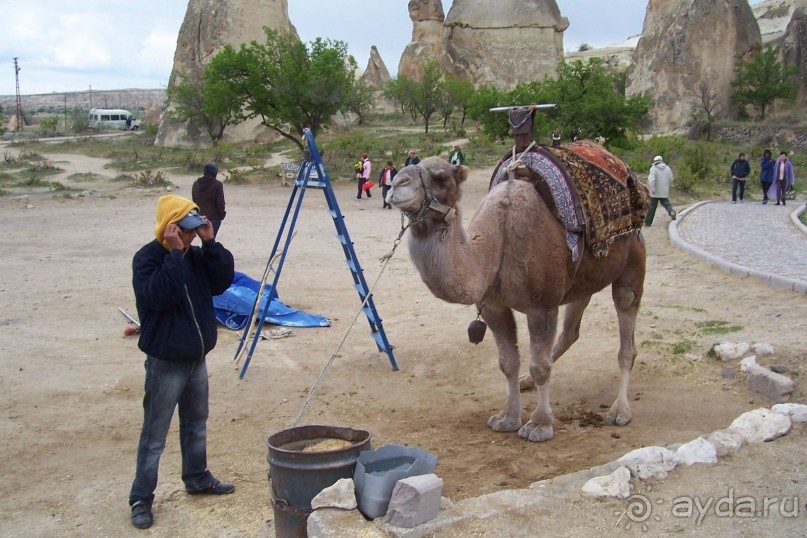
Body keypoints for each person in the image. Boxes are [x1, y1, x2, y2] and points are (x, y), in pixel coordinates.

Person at [128, 194, 235, 530]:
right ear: (169, 228)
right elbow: (160, 295)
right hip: (165, 362)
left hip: (196, 358)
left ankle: (197, 477)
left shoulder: (196, 256)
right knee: (154, 435)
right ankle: (141, 499)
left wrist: (211, 242)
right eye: (186, 231)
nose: (191, 236)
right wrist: (174, 254)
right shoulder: (147, 259)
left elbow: (222, 282)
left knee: (196, 423)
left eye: (193, 231)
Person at [192, 163, 226, 237]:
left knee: (205, 241)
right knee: (211, 241)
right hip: (213, 218)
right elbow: (220, 202)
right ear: (215, 173)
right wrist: (222, 215)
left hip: (200, 218)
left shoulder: (196, 183)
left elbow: (194, 201)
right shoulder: (217, 184)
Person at [645, 155, 676, 227]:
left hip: (655, 192)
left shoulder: (653, 169)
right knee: (666, 203)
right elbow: (671, 179)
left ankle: (648, 222)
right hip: (664, 191)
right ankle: (671, 211)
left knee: (652, 207)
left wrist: (652, 189)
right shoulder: (667, 168)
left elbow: (651, 180)